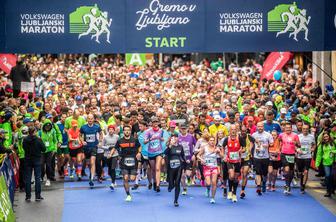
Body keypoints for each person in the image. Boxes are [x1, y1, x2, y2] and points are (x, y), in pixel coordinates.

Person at [115, 125, 141, 202]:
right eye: (125, 130)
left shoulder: (135, 140)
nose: (127, 131)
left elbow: (140, 146)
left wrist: (139, 153)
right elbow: (116, 148)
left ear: (130, 131)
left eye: (128, 130)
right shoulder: (120, 141)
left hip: (133, 161)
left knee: (132, 179)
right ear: (123, 132)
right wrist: (118, 155)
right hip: (124, 161)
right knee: (125, 178)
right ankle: (128, 195)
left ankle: (131, 179)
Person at [221, 125, 244, 202]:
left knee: (236, 178)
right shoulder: (227, 139)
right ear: (230, 131)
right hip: (229, 160)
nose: (233, 131)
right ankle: (230, 191)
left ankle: (234, 194)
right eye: (232, 129)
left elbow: (244, 147)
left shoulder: (240, 138)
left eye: (234, 129)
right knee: (231, 175)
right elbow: (222, 147)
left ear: (236, 130)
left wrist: (242, 150)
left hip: (237, 161)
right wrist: (224, 155)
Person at [23, 126, 46, 202]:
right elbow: (44, 149)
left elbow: (24, 148)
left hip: (28, 159)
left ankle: (28, 196)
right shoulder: (38, 139)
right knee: (37, 178)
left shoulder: (25, 139)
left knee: (28, 178)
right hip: (36, 159)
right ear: (34, 132)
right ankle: (38, 196)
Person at [80, 114, 103, 188]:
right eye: (89, 119)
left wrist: (100, 141)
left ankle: (92, 179)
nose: (90, 120)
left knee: (93, 162)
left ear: (93, 119)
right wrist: (82, 141)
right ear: (87, 119)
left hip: (94, 146)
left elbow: (101, 134)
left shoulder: (97, 126)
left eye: (91, 119)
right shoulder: (83, 127)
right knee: (89, 163)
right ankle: (91, 174)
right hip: (86, 147)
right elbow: (80, 135)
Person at [197, 135, 222, 204]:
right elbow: (198, 155)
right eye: (210, 140)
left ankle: (213, 198)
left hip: (214, 167)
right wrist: (202, 159)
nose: (212, 142)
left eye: (213, 140)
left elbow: (222, 156)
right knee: (208, 183)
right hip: (206, 167)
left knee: (214, 182)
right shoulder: (205, 148)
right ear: (208, 141)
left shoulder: (216, 148)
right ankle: (208, 189)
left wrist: (219, 152)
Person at [252, 122, 274, 195]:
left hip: (265, 157)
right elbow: (251, 145)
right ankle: (259, 187)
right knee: (258, 172)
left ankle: (264, 182)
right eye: (258, 126)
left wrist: (266, 145)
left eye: (261, 126)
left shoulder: (268, 135)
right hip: (256, 156)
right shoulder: (254, 135)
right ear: (256, 127)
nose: (260, 128)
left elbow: (272, 143)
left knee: (264, 173)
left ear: (263, 127)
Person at [279, 122, 300, 195]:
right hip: (284, 154)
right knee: (287, 169)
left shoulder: (295, 135)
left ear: (291, 128)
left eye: (289, 128)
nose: (288, 129)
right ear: (284, 128)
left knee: (291, 172)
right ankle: (287, 185)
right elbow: (279, 142)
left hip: (292, 155)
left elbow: (299, 145)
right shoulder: (281, 135)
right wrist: (278, 149)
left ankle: (288, 185)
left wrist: (296, 143)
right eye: (286, 128)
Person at [166, 132, 186, 207]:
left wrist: (185, 165)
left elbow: (183, 156)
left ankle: (176, 201)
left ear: (178, 138)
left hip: (179, 167)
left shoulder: (180, 147)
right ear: (171, 139)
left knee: (177, 183)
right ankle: (170, 185)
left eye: (176, 137)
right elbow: (165, 153)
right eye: (173, 137)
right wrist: (170, 146)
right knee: (171, 183)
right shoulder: (169, 146)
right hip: (171, 168)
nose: (174, 139)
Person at [145, 117, 165, 192]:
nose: (155, 123)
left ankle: (157, 185)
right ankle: (154, 181)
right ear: (152, 123)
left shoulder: (161, 131)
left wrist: (161, 139)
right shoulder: (148, 131)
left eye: (156, 122)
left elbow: (162, 139)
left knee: (157, 168)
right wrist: (151, 139)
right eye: (154, 122)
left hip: (159, 152)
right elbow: (144, 142)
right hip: (151, 152)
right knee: (153, 169)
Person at [315, 131, 336, 197]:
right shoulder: (321, 144)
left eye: (327, 136)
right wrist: (317, 164)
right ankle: (328, 191)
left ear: (329, 136)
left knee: (333, 176)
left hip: (334, 162)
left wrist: (334, 151)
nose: (326, 138)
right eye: (324, 137)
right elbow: (319, 154)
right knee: (327, 176)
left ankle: (332, 188)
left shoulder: (334, 142)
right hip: (326, 163)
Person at [178, 123, 196, 195]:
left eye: (184, 129)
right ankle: (184, 188)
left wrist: (194, 155)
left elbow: (196, 145)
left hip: (189, 159)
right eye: (182, 129)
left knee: (188, 174)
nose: (183, 130)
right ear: (180, 130)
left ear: (187, 129)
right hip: (181, 159)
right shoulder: (178, 137)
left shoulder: (191, 137)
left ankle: (188, 178)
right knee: (182, 175)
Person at [39, 118, 58, 186]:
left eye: (49, 126)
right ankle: (41, 176)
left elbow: (55, 141)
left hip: (50, 150)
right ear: (44, 126)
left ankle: (48, 179)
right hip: (42, 151)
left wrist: (55, 150)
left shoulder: (53, 131)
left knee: (48, 165)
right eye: (46, 126)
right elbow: (38, 141)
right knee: (41, 164)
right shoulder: (40, 132)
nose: (48, 127)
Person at [297, 124, 316, 194]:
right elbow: (295, 145)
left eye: (306, 129)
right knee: (300, 172)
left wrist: (313, 148)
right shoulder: (298, 136)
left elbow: (314, 144)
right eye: (304, 129)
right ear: (301, 129)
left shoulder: (311, 136)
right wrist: (297, 150)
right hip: (299, 157)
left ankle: (303, 186)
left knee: (306, 171)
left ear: (308, 129)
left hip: (308, 157)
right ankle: (301, 180)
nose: (305, 130)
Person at [102, 125, 119, 190]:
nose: (111, 130)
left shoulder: (117, 137)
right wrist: (108, 147)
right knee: (109, 170)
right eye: (110, 129)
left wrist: (117, 151)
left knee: (113, 168)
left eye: (112, 129)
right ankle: (113, 180)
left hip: (115, 154)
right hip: (107, 155)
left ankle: (112, 183)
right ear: (108, 130)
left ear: (114, 130)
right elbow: (102, 146)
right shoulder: (105, 137)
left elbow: (119, 145)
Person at [239, 125, 255, 198]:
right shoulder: (237, 137)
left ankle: (242, 190)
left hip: (247, 157)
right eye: (242, 131)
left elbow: (255, 142)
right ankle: (233, 188)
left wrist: (251, 149)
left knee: (245, 173)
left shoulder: (250, 137)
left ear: (246, 131)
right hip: (238, 158)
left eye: (244, 131)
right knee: (238, 174)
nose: (243, 132)